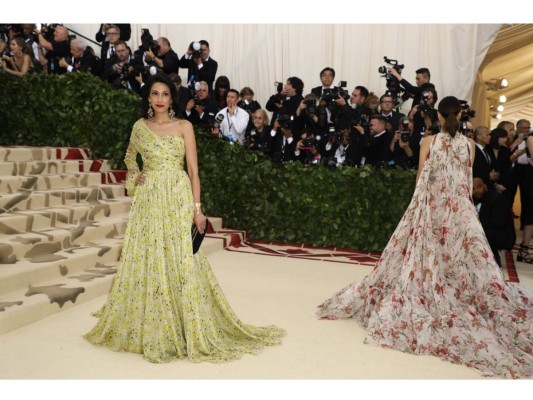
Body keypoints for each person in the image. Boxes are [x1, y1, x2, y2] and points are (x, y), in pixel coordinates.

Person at [316, 96, 533, 378]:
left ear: (439, 117)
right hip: (459, 211)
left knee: (426, 256)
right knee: (461, 257)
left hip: (432, 209)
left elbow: (421, 178)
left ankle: (435, 292)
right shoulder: (468, 144)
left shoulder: (429, 142)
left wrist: (417, 212)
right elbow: (466, 182)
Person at [84, 73, 284, 362]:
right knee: (150, 254)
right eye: (155, 94)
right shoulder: (140, 127)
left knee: (182, 257)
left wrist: (197, 208)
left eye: (165, 94)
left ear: (171, 98)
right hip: (150, 198)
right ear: (149, 98)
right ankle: (153, 320)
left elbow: (193, 171)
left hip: (177, 196)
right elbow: (129, 157)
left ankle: (183, 320)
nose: (160, 99)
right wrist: (136, 176)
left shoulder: (184, 126)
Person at [472, 177, 516, 267]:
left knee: (478, 233)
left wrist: (476, 225)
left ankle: (494, 260)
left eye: (479, 187)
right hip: (488, 230)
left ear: (485, 186)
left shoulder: (497, 198)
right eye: (473, 189)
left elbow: (498, 222)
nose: (476, 191)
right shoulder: (471, 199)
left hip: (503, 234)